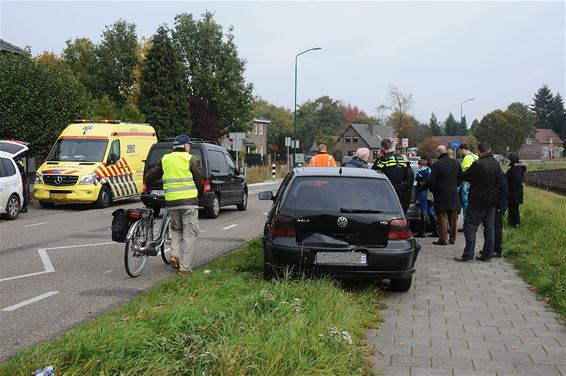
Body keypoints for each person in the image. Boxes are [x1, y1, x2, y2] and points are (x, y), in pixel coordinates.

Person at [145, 135, 204, 275]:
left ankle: (174, 255)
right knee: (189, 234)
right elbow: (199, 180)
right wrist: (199, 196)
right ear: (185, 146)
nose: (189, 147)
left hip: (171, 203)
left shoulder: (165, 159)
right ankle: (184, 268)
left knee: (177, 230)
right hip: (189, 203)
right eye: (188, 145)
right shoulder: (191, 159)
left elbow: (149, 177)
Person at [455, 142, 505, 262]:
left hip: (477, 201)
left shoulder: (477, 164)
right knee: (489, 228)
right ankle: (487, 255)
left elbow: (465, 176)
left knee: (470, 227)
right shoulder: (496, 163)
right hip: (492, 201)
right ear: (489, 149)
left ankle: (468, 255)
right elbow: (501, 181)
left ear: (479, 151)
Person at [427, 145, 463, 245]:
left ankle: (443, 239)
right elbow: (461, 177)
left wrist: (433, 190)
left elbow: (432, 180)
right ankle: (453, 238)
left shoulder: (437, 164)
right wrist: (455, 186)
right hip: (453, 193)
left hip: (440, 194)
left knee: (442, 217)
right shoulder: (456, 163)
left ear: (438, 152)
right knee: (453, 217)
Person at [372, 139, 414, 213]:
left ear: (382, 148)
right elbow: (408, 174)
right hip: (401, 192)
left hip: (387, 192)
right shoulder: (401, 158)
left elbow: (373, 171)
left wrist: (378, 157)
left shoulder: (384, 159)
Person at [415, 158, 438, 238]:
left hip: (423, 192)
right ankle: (435, 230)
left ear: (420, 165)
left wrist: (420, 183)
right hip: (429, 192)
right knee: (430, 210)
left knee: (423, 211)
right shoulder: (429, 169)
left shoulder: (420, 171)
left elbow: (417, 178)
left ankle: (422, 232)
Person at [458, 143, 478, 231]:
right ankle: (474, 224)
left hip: (467, 184)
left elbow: (465, 172)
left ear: (462, 149)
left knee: (466, 204)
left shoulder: (467, 158)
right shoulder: (475, 156)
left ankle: (466, 225)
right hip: (476, 184)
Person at [506, 153, 527, 227]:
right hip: (515, 193)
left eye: (508, 159)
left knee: (513, 209)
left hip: (513, 194)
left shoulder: (514, 170)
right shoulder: (518, 169)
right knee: (514, 209)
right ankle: (514, 223)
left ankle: (514, 224)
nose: (507, 161)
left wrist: (509, 191)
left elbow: (516, 182)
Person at [493, 169, 508, 258]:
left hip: (499, 205)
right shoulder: (497, 173)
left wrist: (499, 205)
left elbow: (503, 190)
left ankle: (497, 250)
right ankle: (490, 248)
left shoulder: (500, 175)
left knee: (497, 227)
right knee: (492, 227)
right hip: (496, 204)